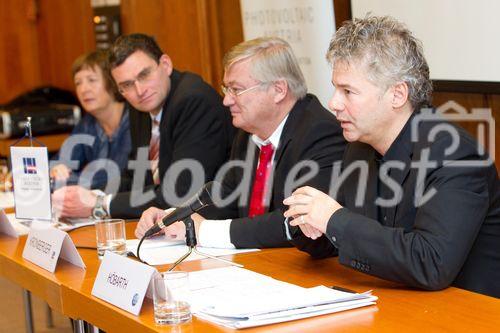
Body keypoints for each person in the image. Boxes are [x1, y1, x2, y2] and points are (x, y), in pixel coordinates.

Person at [283, 16, 500, 298]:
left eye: (348, 91)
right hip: (396, 302)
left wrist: (333, 220)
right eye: (336, 88)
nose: (333, 103)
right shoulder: (360, 148)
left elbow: (431, 263)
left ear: (397, 95)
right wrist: (307, 223)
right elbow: (348, 238)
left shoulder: (457, 156)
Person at [135, 37, 346, 249]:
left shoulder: (320, 133)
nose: (226, 100)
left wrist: (204, 231)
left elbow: (296, 221)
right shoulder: (247, 133)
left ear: (279, 90)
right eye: (226, 89)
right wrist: (174, 217)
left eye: (236, 89)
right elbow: (225, 199)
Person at [52, 33, 234, 219]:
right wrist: (90, 195)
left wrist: (100, 204)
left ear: (165, 65)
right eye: (127, 85)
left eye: (144, 75)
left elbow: (180, 193)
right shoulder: (141, 105)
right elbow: (136, 177)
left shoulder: (193, 101)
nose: (139, 91)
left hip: (215, 222)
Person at [50, 50, 131, 189]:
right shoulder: (87, 123)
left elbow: (115, 175)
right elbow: (59, 162)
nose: (83, 89)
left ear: (112, 81)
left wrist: (70, 181)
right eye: (78, 83)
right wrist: (56, 169)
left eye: (91, 80)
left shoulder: (135, 118)